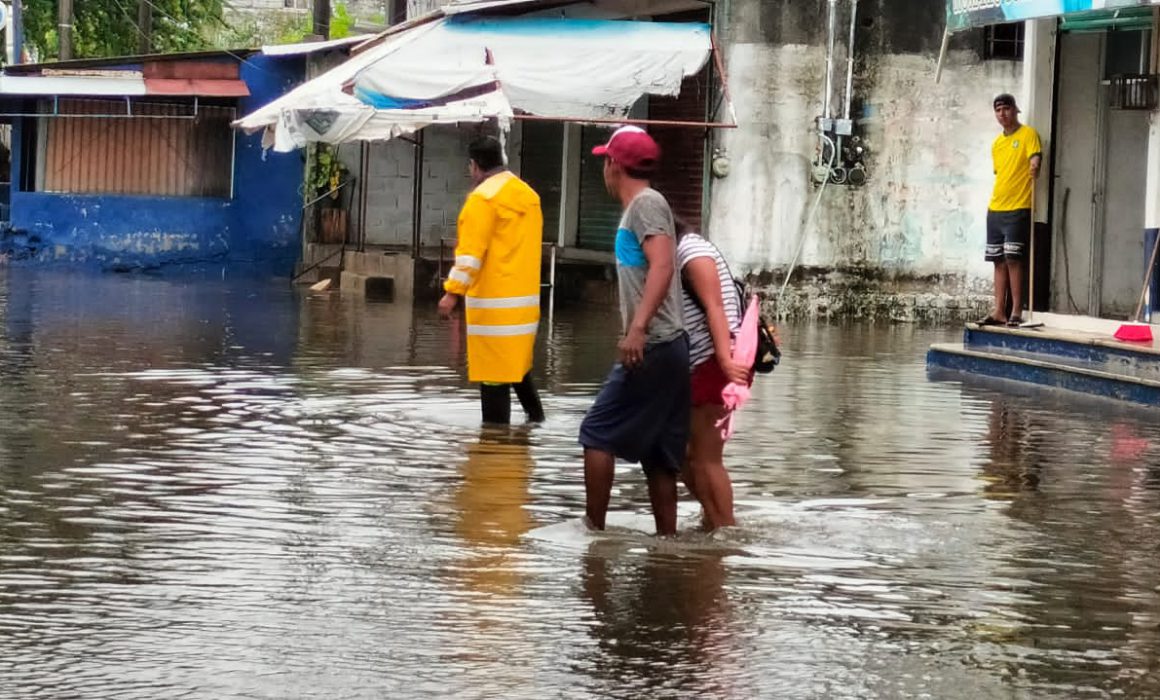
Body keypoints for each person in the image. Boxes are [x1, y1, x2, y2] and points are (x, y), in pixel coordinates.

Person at [578, 126, 689, 537]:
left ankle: (593, 533)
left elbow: (662, 265)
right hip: (669, 347)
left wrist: (638, 328)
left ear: (614, 165)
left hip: (657, 345)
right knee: (659, 453)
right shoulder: (644, 207)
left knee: (596, 433)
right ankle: (668, 544)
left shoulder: (645, 204)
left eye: (605, 161)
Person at [439, 136, 546, 425]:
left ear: (474, 166)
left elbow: (470, 256)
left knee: (494, 379)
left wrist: (452, 293)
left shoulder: (482, 200)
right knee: (517, 367)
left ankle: (494, 448)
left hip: (493, 310)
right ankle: (535, 425)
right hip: (524, 308)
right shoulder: (528, 196)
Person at [675, 218, 751, 531]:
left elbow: (714, 306)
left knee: (705, 458)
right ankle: (712, 521)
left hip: (714, 364)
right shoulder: (683, 250)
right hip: (707, 363)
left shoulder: (689, 249)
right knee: (683, 454)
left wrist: (723, 359)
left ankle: (724, 530)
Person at [979, 93, 1042, 328]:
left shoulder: (1028, 134)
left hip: (1019, 207)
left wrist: (1035, 165)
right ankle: (998, 311)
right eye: (998, 110)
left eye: (1006, 108)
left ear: (1015, 110)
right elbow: (1000, 173)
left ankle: (1016, 309)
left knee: (1013, 258)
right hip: (996, 208)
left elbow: (1035, 157)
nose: (1002, 114)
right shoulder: (997, 144)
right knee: (998, 261)